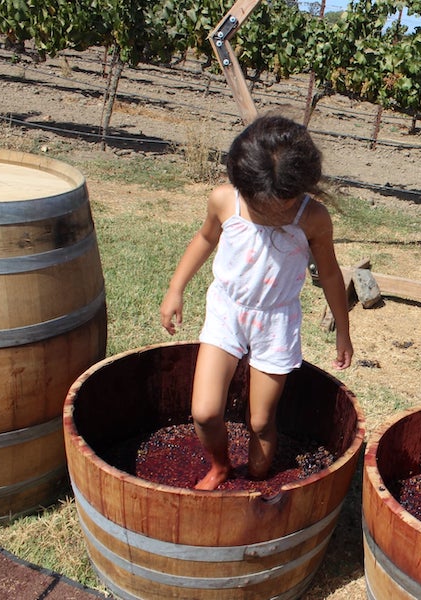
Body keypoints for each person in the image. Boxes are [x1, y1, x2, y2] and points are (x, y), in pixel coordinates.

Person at [160, 113, 353, 491]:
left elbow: (330, 274)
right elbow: (204, 239)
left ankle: (258, 479)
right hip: (227, 311)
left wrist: (342, 331)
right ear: (242, 182)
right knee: (204, 412)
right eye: (260, 202)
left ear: (301, 188)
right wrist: (175, 288)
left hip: (275, 321)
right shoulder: (223, 200)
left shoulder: (311, 218)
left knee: (262, 422)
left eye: (279, 203)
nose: (269, 212)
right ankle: (220, 467)